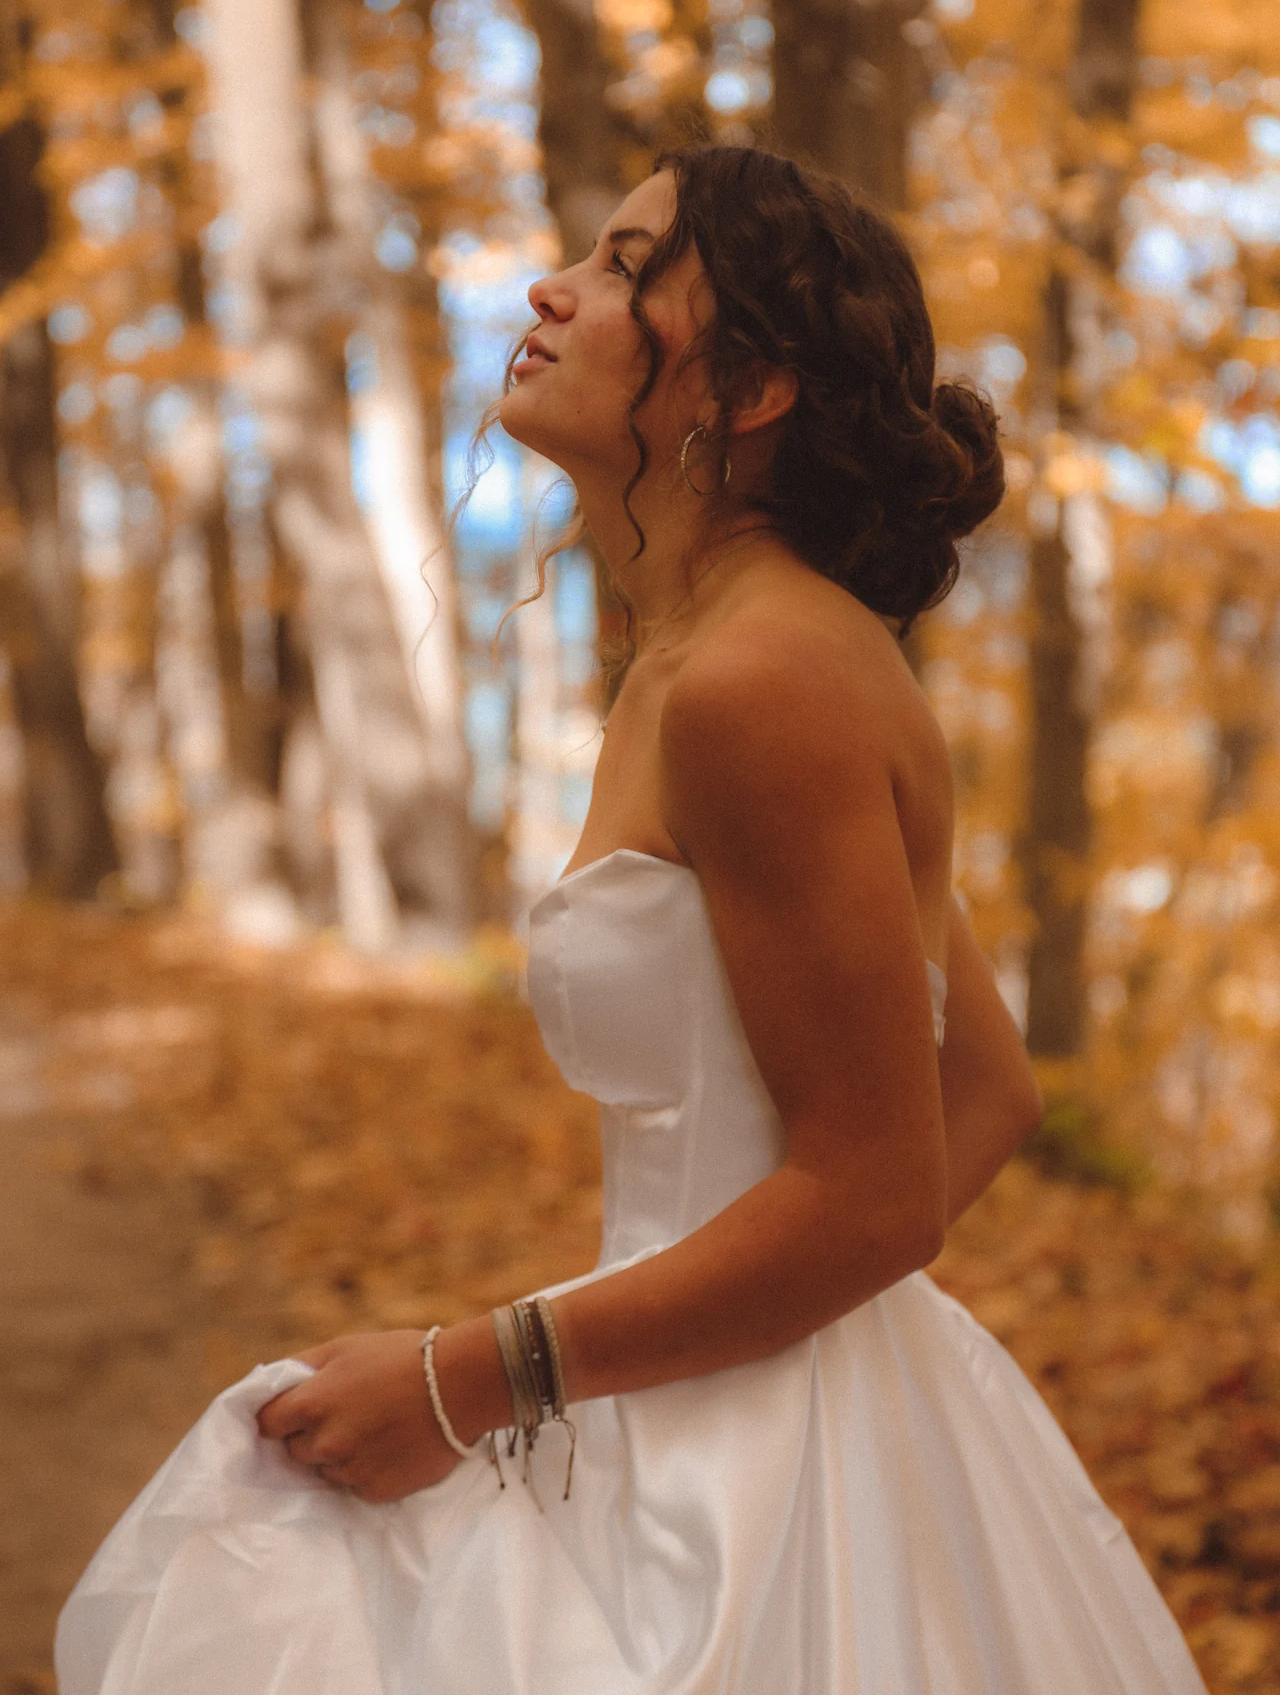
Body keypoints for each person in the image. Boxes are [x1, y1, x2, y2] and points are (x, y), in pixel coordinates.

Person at [57, 145, 1208, 1695]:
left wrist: (478, 1379)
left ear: (747, 390)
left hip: (743, 1495)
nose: (552, 289)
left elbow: (879, 1194)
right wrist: (707, 1337)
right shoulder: (726, 657)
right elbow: (981, 1089)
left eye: (621, 264)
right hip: (721, 1391)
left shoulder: (760, 684)